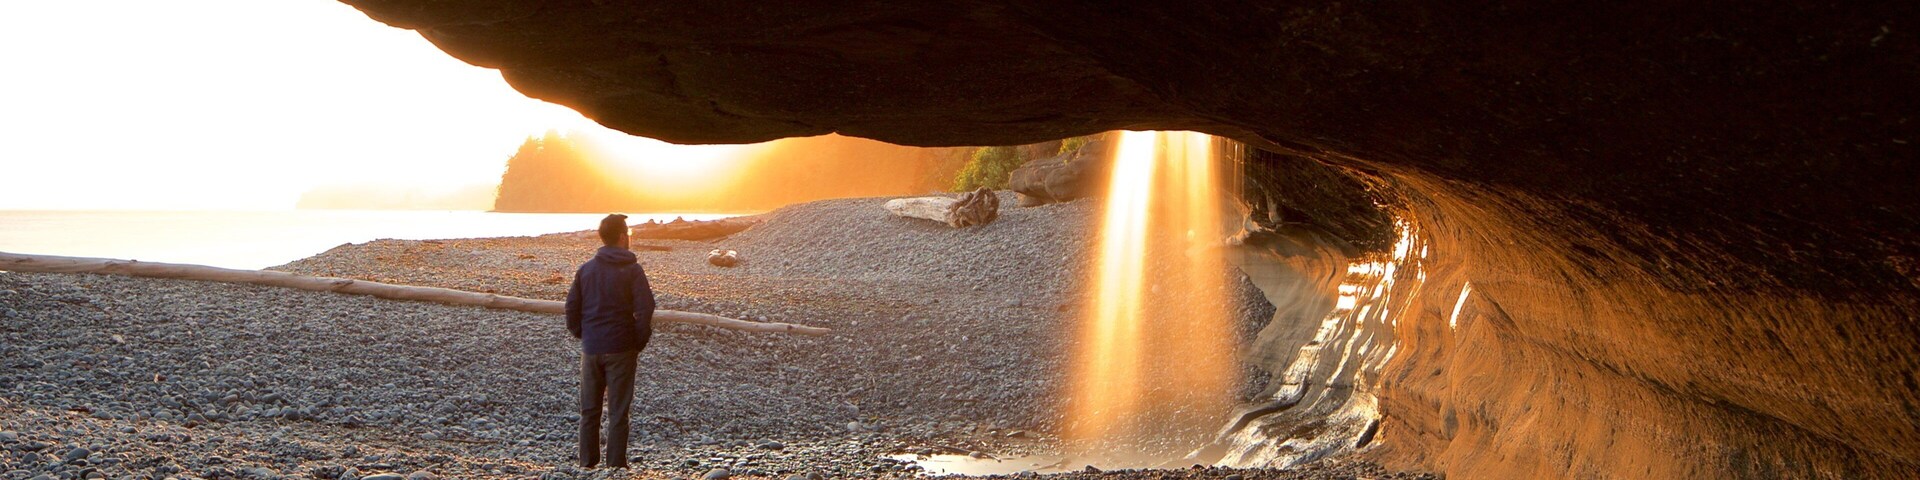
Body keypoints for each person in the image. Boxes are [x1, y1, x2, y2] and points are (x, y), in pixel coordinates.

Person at [565, 213, 656, 469]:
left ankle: (587, 463)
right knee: (618, 411)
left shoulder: (586, 269)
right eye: (629, 234)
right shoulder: (632, 270)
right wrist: (638, 340)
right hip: (621, 347)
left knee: (589, 409)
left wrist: (582, 334)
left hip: (592, 348)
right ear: (622, 237)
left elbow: (571, 307)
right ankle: (615, 465)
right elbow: (646, 308)